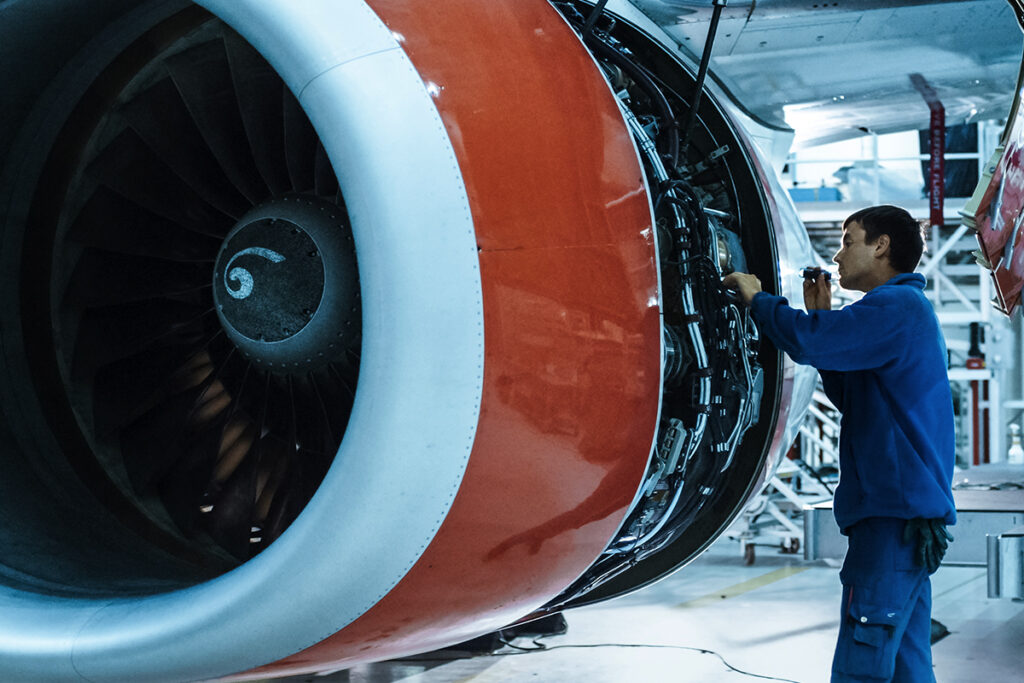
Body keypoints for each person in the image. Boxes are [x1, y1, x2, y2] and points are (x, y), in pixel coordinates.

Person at [722, 205, 956, 682]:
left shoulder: (895, 306)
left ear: (882, 246)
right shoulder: (898, 312)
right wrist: (822, 318)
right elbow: (851, 392)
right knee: (907, 661)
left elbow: (809, 344)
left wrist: (759, 301)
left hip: (891, 519)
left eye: (849, 241)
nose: (838, 254)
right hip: (902, 517)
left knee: (863, 663)